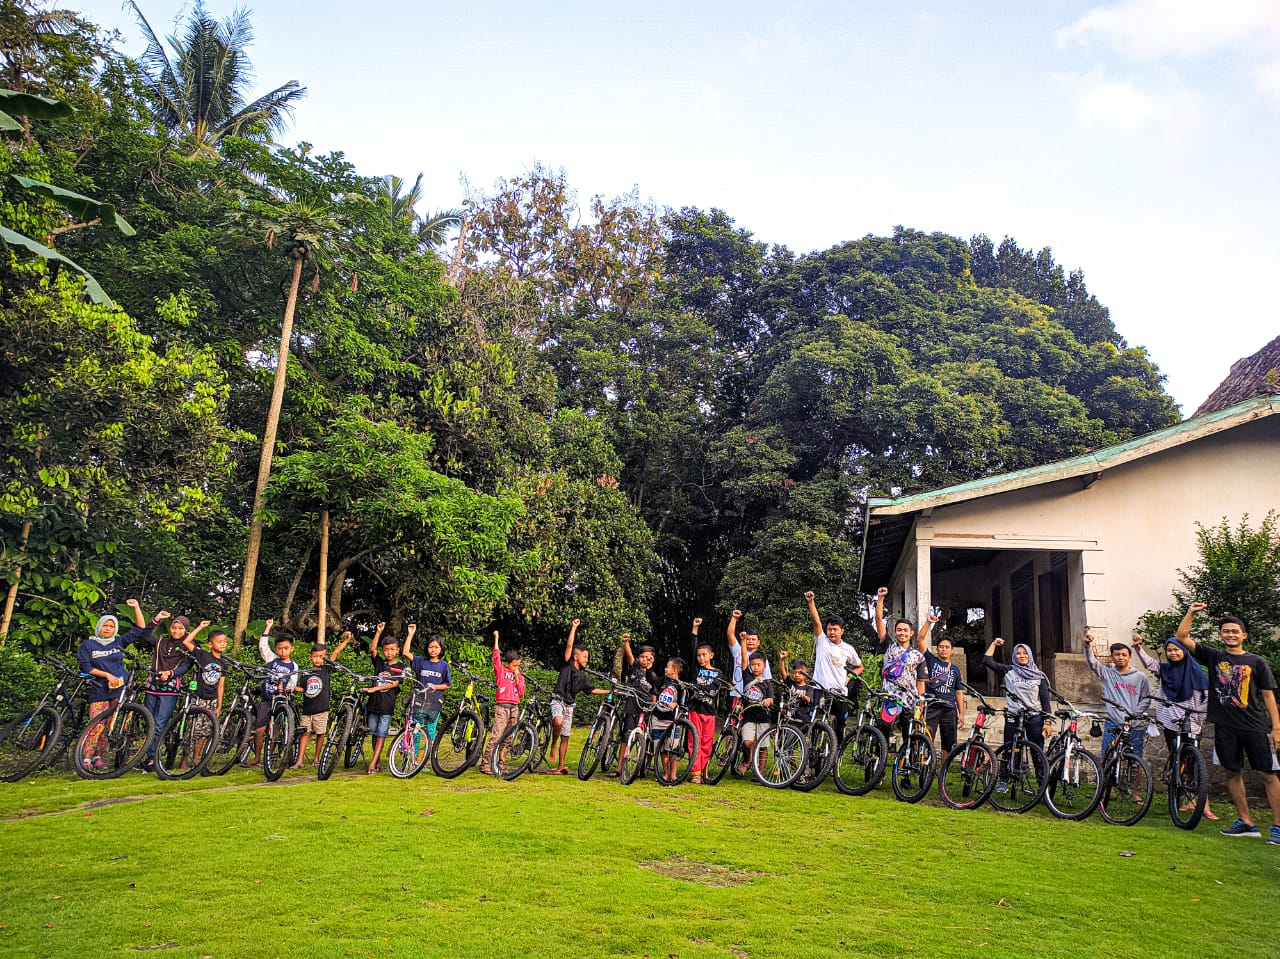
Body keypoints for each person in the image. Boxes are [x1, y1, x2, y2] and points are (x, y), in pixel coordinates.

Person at [1177, 602, 1280, 844]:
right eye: (1226, 631)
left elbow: (1268, 695)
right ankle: (1246, 822)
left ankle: (1278, 827)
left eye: (1235, 631)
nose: (1230, 634)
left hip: (1254, 726)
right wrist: (1191, 613)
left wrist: (1276, 728)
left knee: (1267, 774)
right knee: (1232, 772)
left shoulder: (1257, 662)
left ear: (1244, 635)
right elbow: (1182, 637)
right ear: (1220, 635)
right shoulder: (1214, 657)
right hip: (1225, 726)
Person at [1132, 631, 1219, 821]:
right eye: (1169, 650)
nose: (1172, 653)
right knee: (1176, 758)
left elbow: (1207, 698)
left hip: (1191, 721)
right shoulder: (1166, 670)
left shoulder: (1196, 673)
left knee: (1193, 762)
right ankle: (1178, 797)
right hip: (1170, 720)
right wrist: (1138, 647)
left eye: (1176, 649)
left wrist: (1199, 717)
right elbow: (1150, 664)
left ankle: (1201, 803)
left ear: (1184, 651)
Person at [75, 602, 150, 772]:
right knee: (96, 724)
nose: (108, 629)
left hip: (120, 690)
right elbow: (85, 667)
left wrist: (136, 607)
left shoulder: (118, 642)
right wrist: (106, 675)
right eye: (105, 625)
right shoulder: (88, 645)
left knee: (109, 726)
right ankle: (86, 758)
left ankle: (98, 757)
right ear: (99, 627)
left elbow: (140, 628)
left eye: (111, 626)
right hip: (99, 689)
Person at [136, 608, 210, 772]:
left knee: (159, 724)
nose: (176, 631)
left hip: (169, 689)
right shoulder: (161, 641)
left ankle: (153, 759)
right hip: (152, 686)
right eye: (174, 628)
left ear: (186, 630)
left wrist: (170, 673)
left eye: (180, 628)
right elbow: (144, 636)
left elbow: (186, 666)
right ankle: (148, 757)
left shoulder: (188, 646)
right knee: (149, 722)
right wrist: (156, 619)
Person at [549, 619, 610, 775]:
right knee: (558, 722)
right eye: (584, 657)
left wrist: (609, 691)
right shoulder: (567, 664)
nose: (586, 660)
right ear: (575, 657)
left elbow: (592, 689)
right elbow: (569, 646)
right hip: (558, 700)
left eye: (587, 657)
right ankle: (553, 744)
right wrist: (574, 627)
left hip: (570, 706)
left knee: (566, 736)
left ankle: (561, 766)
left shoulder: (582, 676)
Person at [1082, 630, 1154, 760]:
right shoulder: (1107, 673)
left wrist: (1135, 714)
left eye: (1124, 655)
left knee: (1135, 760)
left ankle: (1133, 774)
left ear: (1130, 657)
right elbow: (1092, 663)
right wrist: (1087, 646)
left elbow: (1146, 699)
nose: (1121, 657)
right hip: (1113, 722)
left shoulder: (1140, 677)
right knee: (1107, 757)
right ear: (1112, 657)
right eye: (1117, 654)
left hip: (1134, 724)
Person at [982, 637, 1053, 761]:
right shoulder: (1008, 671)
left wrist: (1047, 723)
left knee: (1037, 752)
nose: (1022, 656)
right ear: (1014, 656)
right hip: (1013, 716)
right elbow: (987, 661)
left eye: (1025, 653)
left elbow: (1045, 701)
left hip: (1034, 717)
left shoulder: (1039, 676)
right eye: (1018, 653)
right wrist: (994, 644)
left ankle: (1041, 774)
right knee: (1010, 751)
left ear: (1030, 655)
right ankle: (1007, 773)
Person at [804, 590, 862, 739]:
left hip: (839, 692)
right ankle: (812, 751)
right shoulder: (822, 641)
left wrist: (848, 679)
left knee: (840, 727)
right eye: (829, 629)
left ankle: (836, 752)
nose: (832, 632)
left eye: (835, 629)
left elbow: (859, 667)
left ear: (842, 631)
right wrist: (811, 602)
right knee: (815, 724)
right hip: (820, 689)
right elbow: (817, 622)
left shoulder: (848, 649)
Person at [291, 629, 352, 769]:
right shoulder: (305, 673)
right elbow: (303, 689)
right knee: (304, 733)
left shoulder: (325, 669)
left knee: (320, 733)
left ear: (325, 657)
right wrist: (293, 688)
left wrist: (346, 640)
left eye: (321, 657)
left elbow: (336, 652)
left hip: (321, 709)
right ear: (310, 657)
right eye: (315, 656)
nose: (318, 659)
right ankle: (299, 760)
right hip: (307, 710)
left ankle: (316, 758)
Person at [873, 587, 928, 741]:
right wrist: (881, 598)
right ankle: (881, 753)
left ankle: (905, 755)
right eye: (899, 630)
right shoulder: (889, 646)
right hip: (890, 696)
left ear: (911, 633)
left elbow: (921, 682)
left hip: (910, 699)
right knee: (884, 728)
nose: (902, 633)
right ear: (895, 632)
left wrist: (920, 703)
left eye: (905, 630)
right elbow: (878, 620)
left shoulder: (918, 656)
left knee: (908, 734)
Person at [246, 618, 299, 767]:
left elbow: (293, 682)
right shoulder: (271, 659)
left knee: (275, 732)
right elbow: (263, 646)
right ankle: (257, 757)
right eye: (280, 648)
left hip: (281, 702)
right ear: (276, 649)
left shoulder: (293, 666)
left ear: (292, 649)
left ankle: (268, 757)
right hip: (267, 700)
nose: (283, 651)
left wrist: (291, 688)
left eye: (286, 648)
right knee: (260, 730)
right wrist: (267, 627)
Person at [915, 613, 965, 752]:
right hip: (932, 706)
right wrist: (928, 623)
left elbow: (959, 693)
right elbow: (920, 640)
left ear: (951, 650)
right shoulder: (931, 660)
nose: (943, 649)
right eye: (941, 647)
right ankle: (926, 763)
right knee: (926, 739)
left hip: (949, 708)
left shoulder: (955, 670)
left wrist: (961, 713)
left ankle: (944, 765)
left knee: (949, 744)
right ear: (937, 649)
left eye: (947, 647)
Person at [614, 630, 660, 777]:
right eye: (642, 657)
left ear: (652, 659)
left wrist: (652, 709)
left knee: (643, 736)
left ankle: (640, 765)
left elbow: (654, 694)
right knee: (626, 735)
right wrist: (626, 642)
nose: (644, 660)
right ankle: (619, 767)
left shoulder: (653, 676)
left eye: (648, 658)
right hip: (631, 705)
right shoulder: (635, 667)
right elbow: (629, 656)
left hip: (645, 709)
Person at [363, 624, 406, 775]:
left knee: (381, 734)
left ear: (397, 650)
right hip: (373, 704)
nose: (389, 652)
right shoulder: (380, 663)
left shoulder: (400, 666)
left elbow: (394, 683)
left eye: (392, 649)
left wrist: (374, 689)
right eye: (386, 650)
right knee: (374, 733)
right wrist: (378, 632)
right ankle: (377, 760)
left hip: (387, 706)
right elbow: (372, 649)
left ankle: (372, 763)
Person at [481, 630, 524, 774]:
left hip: (514, 707)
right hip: (502, 707)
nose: (516, 668)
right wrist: (496, 639)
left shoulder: (520, 676)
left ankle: (501, 764)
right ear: (507, 664)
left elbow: (521, 692)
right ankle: (485, 764)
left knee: (508, 738)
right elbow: (496, 658)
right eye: (514, 665)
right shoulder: (501, 671)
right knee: (497, 736)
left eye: (518, 666)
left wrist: (517, 679)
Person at [404, 628, 451, 746]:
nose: (433, 650)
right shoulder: (421, 661)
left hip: (435, 702)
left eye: (436, 647)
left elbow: (447, 685)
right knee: (416, 730)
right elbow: (405, 653)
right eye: (431, 647)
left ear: (441, 649)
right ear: (427, 648)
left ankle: (428, 754)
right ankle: (415, 756)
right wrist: (410, 634)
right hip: (420, 701)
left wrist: (436, 687)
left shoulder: (444, 665)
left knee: (430, 730)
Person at [688, 619, 720, 785]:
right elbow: (692, 648)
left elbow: (715, 689)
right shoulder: (696, 669)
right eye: (699, 656)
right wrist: (695, 628)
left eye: (704, 655)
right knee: (694, 740)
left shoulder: (718, 673)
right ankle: (696, 773)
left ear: (711, 655)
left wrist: (703, 690)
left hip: (709, 712)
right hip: (695, 709)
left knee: (707, 742)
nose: (701, 658)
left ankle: (704, 770)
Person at [735, 651, 775, 776]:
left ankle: (760, 773)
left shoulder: (767, 683)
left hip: (763, 718)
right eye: (753, 664)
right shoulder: (747, 677)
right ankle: (748, 761)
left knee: (763, 746)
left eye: (758, 665)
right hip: (748, 717)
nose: (755, 667)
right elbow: (743, 658)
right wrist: (743, 642)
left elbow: (771, 698)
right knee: (747, 742)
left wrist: (768, 701)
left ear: (764, 666)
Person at [651, 657, 686, 782]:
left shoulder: (681, 686)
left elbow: (682, 702)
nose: (665, 669)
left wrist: (675, 704)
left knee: (673, 749)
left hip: (672, 721)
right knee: (661, 750)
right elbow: (654, 691)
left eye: (668, 667)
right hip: (658, 719)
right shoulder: (661, 681)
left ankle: (673, 774)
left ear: (675, 670)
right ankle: (665, 773)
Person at [727, 609, 771, 704]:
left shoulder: (762, 659)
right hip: (736, 692)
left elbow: (766, 679)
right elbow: (730, 635)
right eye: (748, 639)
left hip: (753, 696)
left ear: (758, 642)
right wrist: (734, 618)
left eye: (753, 639)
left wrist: (767, 697)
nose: (750, 641)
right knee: (734, 713)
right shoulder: (738, 650)